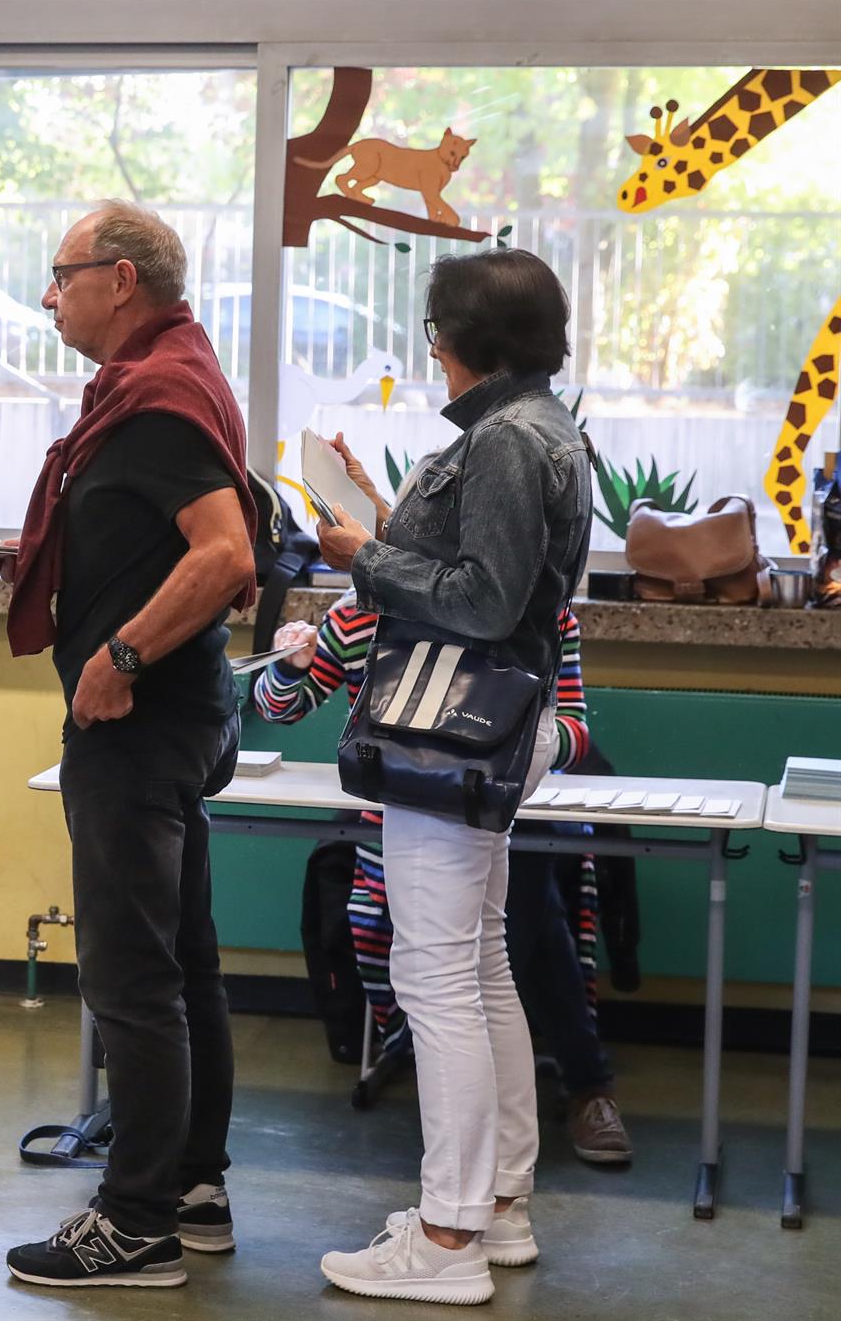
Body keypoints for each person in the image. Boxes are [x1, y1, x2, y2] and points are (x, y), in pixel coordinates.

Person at [0, 201, 257, 1289]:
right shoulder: (165, 381)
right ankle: (191, 1186)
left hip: (142, 722)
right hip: (179, 717)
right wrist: (50, 553)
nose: (50, 295)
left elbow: (225, 554)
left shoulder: (156, 399)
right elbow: (158, 536)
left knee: (130, 973)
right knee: (181, 961)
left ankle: (134, 1221)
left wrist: (121, 657)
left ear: (122, 280)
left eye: (62, 274)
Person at [312, 247, 593, 1305]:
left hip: (454, 730)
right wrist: (383, 516)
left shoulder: (506, 442)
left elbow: (478, 600)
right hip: (489, 728)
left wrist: (361, 556)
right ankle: (498, 1203)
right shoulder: (537, 427)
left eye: (432, 333)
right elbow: (487, 568)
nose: (428, 352)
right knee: (476, 966)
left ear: (459, 339)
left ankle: (445, 1236)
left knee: (436, 977)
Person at [257, 599, 634, 1166]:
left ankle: (565, 1097)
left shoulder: (536, 613)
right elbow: (278, 707)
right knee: (480, 961)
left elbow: (577, 733)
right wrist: (289, 663)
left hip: (499, 808)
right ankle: (536, 1108)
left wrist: (518, 739)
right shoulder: (363, 613)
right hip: (399, 814)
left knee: (516, 933)